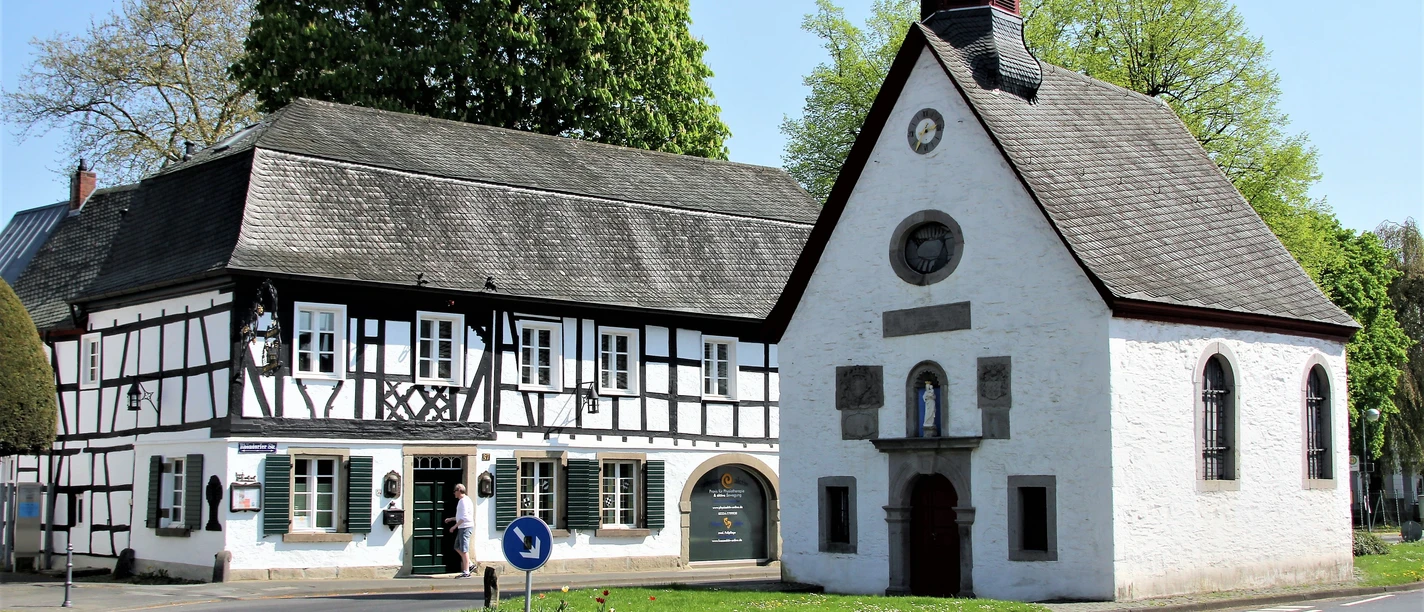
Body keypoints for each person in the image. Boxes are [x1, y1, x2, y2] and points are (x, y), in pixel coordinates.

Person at [444, 483, 476, 577]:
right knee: (457, 546)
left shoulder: (464, 501)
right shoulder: (463, 500)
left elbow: (464, 517)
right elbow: (460, 516)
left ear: (459, 490)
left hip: (465, 527)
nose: (454, 493)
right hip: (463, 526)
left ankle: (466, 572)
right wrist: (451, 519)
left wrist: (454, 526)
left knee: (464, 549)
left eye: (455, 491)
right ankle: (470, 564)